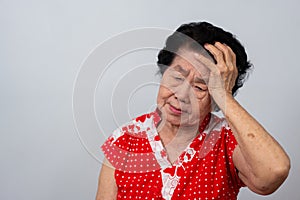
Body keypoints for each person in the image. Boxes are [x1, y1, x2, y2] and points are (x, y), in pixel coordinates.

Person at [95, 21, 290, 200]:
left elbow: (274, 172)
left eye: (200, 87)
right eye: (177, 78)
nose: (181, 95)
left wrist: (224, 96)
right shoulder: (125, 140)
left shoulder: (227, 141)